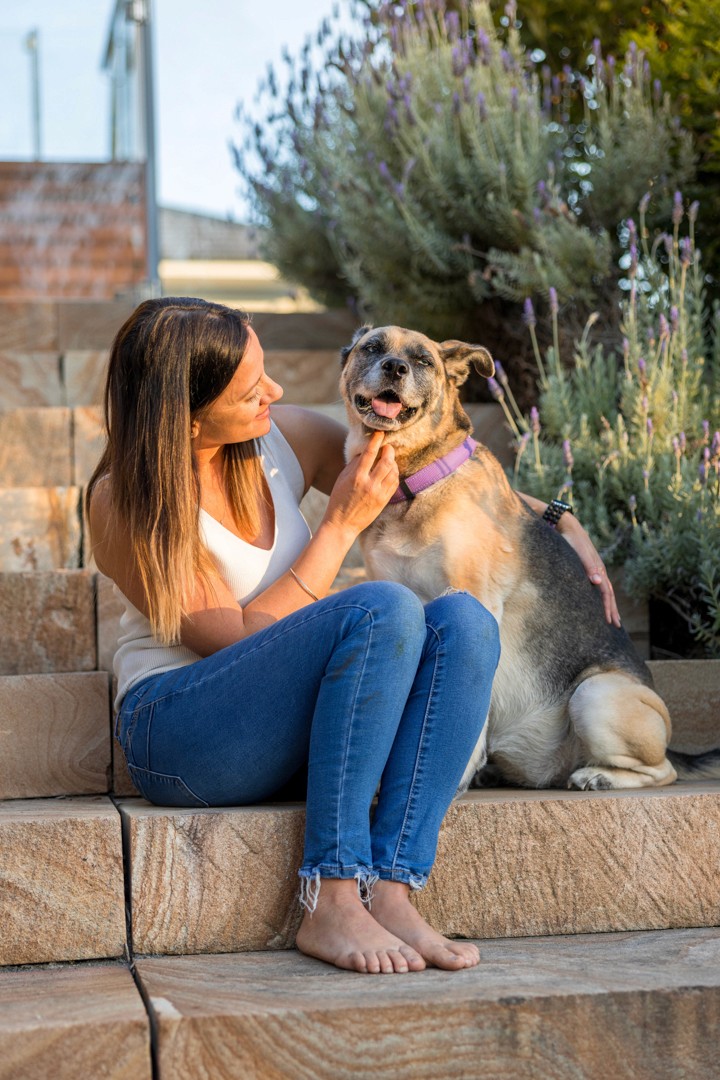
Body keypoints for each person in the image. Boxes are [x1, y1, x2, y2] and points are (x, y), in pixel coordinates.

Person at [87, 296, 620, 976]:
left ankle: (391, 889)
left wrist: (550, 515)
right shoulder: (123, 499)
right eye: (252, 389)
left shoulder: (273, 439)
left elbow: (436, 464)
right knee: (383, 609)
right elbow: (231, 638)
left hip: (289, 726)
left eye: (268, 374)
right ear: (187, 417)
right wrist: (337, 526)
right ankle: (332, 897)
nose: (275, 395)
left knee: (463, 619)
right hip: (184, 733)